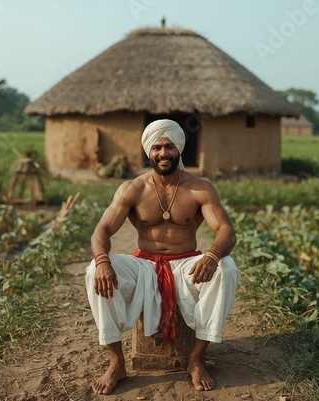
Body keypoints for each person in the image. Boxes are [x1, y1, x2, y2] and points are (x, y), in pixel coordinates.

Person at [85, 119, 240, 395]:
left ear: (178, 149)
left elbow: (226, 230)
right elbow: (102, 231)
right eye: (156, 147)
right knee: (92, 271)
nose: (163, 153)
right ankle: (116, 361)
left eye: (169, 146)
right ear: (149, 152)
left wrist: (214, 254)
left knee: (226, 268)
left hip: (185, 265)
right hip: (143, 264)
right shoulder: (133, 188)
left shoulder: (200, 188)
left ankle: (196, 358)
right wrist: (102, 261)